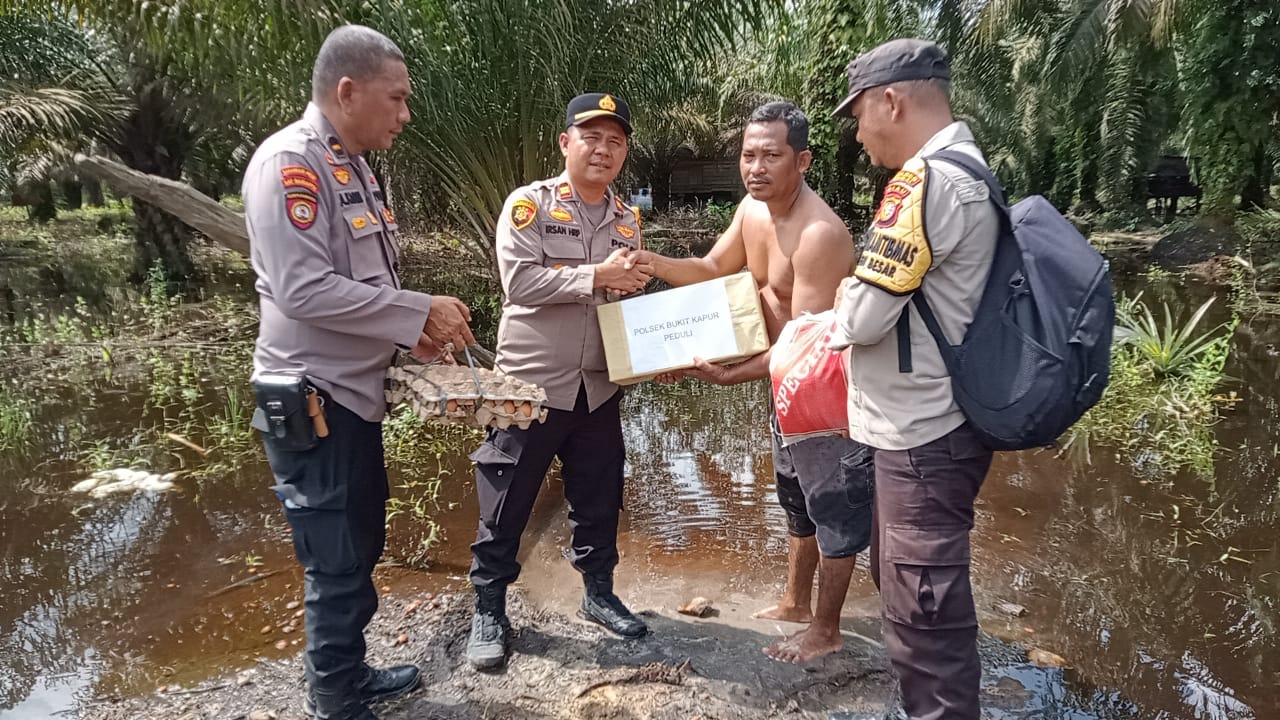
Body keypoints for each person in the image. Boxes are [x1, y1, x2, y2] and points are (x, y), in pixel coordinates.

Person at [243, 25, 476, 720]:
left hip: (351, 394)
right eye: (396, 98)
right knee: (336, 554)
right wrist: (418, 310)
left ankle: (347, 673)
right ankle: (335, 699)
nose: (405, 114)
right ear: (347, 91)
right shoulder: (292, 164)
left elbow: (361, 285)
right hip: (315, 399)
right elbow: (303, 290)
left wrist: (410, 341)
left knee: (358, 539)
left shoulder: (354, 167)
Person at [631, 101, 875, 663]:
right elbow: (713, 269)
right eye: (748, 155)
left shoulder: (819, 233)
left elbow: (805, 346)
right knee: (794, 494)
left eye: (771, 155)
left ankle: (827, 629)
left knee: (833, 505)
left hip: (825, 393)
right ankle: (795, 601)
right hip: (784, 383)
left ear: (802, 161)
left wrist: (727, 375)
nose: (755, 168)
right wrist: (652, 262)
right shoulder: (751, 209)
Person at [829, 38, 1000, 720]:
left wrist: (841, 295)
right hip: (940, 424)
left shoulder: (924, 183)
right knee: (911, 592)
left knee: (925, 617)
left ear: (891, 101)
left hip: (923, 435)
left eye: (859, 116)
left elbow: (863, 316)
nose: (859, 134)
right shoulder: (971, 170)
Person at [465, 92, 654, 669]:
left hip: (598, 385)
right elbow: (519, 282)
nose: (603, 150)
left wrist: (656, 337)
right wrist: (597, 275)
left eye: (615, 141)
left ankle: (598, 593)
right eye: (591, 138)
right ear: (566, 142)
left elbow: (624, 297)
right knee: (506, 497)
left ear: (624, 152)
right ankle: (489, 608)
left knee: (599, 496)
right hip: (530, 385)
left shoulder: (627, 219)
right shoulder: (531, 205)